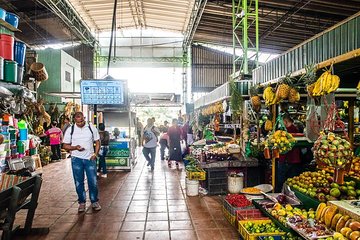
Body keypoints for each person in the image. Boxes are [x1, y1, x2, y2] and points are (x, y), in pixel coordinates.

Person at [63, 112, 101, 212]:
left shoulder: (91, 127)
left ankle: (94, 201)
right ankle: (82, 202)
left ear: (84, 118)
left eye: (82, 121)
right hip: (76, 159)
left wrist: (95, 154)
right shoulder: (70, 129)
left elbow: (97, 141)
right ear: (74, 120)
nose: (80, 123)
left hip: (90, 159)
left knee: (92, 181)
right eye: (78, 122)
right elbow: (65, 145)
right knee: (78, 182)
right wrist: (75, 147)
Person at [276, 114, 301, 192]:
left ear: (286, 122)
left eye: (283, 123)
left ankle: (280, 195)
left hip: (287, 160)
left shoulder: (287, 132)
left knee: (281, 181)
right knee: (291, 183)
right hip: (294, 161)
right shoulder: (296, 129)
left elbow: (285, 147)